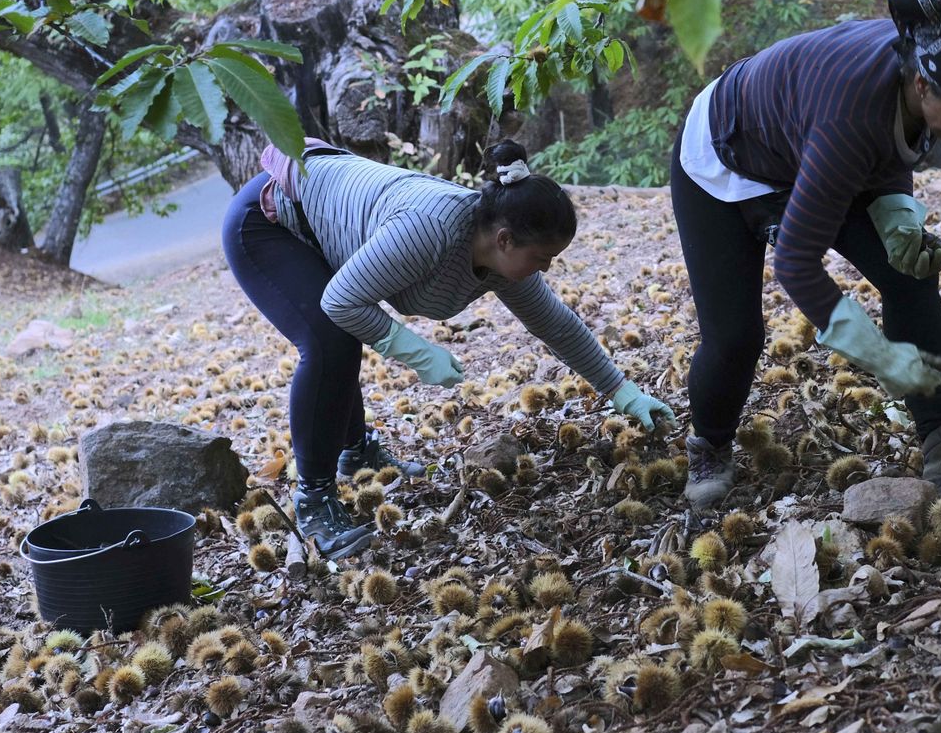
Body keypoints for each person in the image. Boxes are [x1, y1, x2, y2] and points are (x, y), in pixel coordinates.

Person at [669, 0, 941, 509]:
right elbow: (797, 264)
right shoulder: (848, 120)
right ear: (923, 83)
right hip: (722, 156)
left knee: (910, 274)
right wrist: (875, 352)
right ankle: (708, 444)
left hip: (803, 142)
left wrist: (899, 221)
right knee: (735, 337)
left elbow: (891, 145)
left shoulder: (915, 72)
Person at [222, 138, 675, 559]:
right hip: (269, 220)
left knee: (341, 334)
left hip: (321, 220)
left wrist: (622, 392)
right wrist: (414, 350)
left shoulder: (499, 256)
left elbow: (556, 324)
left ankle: (356, 451)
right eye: (541, 258)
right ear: (504, 240)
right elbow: (341, 300)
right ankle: (314, 500)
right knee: (331, 340)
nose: (546, 268)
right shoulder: (431, 230)